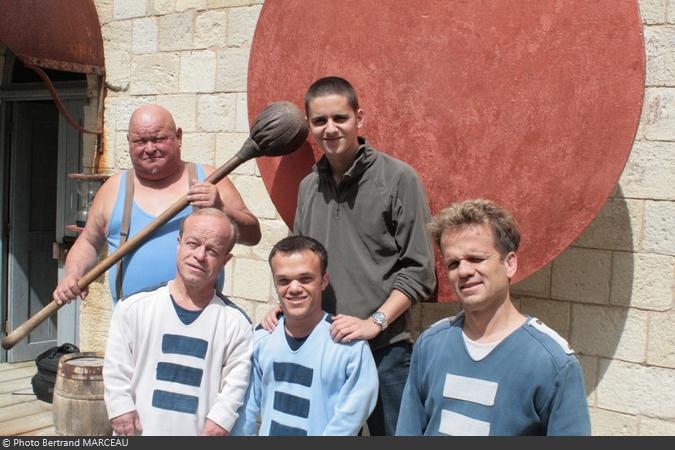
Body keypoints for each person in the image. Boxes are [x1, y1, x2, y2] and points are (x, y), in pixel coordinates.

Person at [262, 76, 436, 435]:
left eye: (340, 118)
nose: (330, 128)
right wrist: (282, 308)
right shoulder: (309, 187)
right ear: (309, 126)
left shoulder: (399, 179)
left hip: (384, 351)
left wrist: (374, 322)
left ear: (360, 118)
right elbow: (299, 261)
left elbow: (419, 270)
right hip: (324, 349)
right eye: (319, 121)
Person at [395, 199, 591, 436]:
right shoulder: (430, 345)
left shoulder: (553, 362)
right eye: (453, 263)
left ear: (509, 264)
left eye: (476, 259)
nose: (464, 271)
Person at [53, 104, 261, 305]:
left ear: (178, 137)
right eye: (140, 141)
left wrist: (222, 208)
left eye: (159, 139)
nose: (150, 148)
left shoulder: (208, 178)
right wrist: (73, 274)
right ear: (129, 142)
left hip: (199, 324)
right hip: (132, 328)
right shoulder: (114, 188)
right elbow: (89, 242)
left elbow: (253, 236)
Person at [103, 208, 253, 436]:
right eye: (193, 243)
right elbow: (116, 368)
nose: (200, 255)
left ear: (226, 260)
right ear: (179, 243)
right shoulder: (133, 308)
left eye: (212, 250)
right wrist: (120, 408)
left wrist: (221, 421)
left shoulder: (236, 324)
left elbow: (235, 386)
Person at [232, 236, 378, 436]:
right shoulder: (261, 339)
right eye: (283, 280)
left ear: (324, 281)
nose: (294, 288)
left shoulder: (349, 346)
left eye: (305, 279)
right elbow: (247, 410)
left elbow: (350, 418)